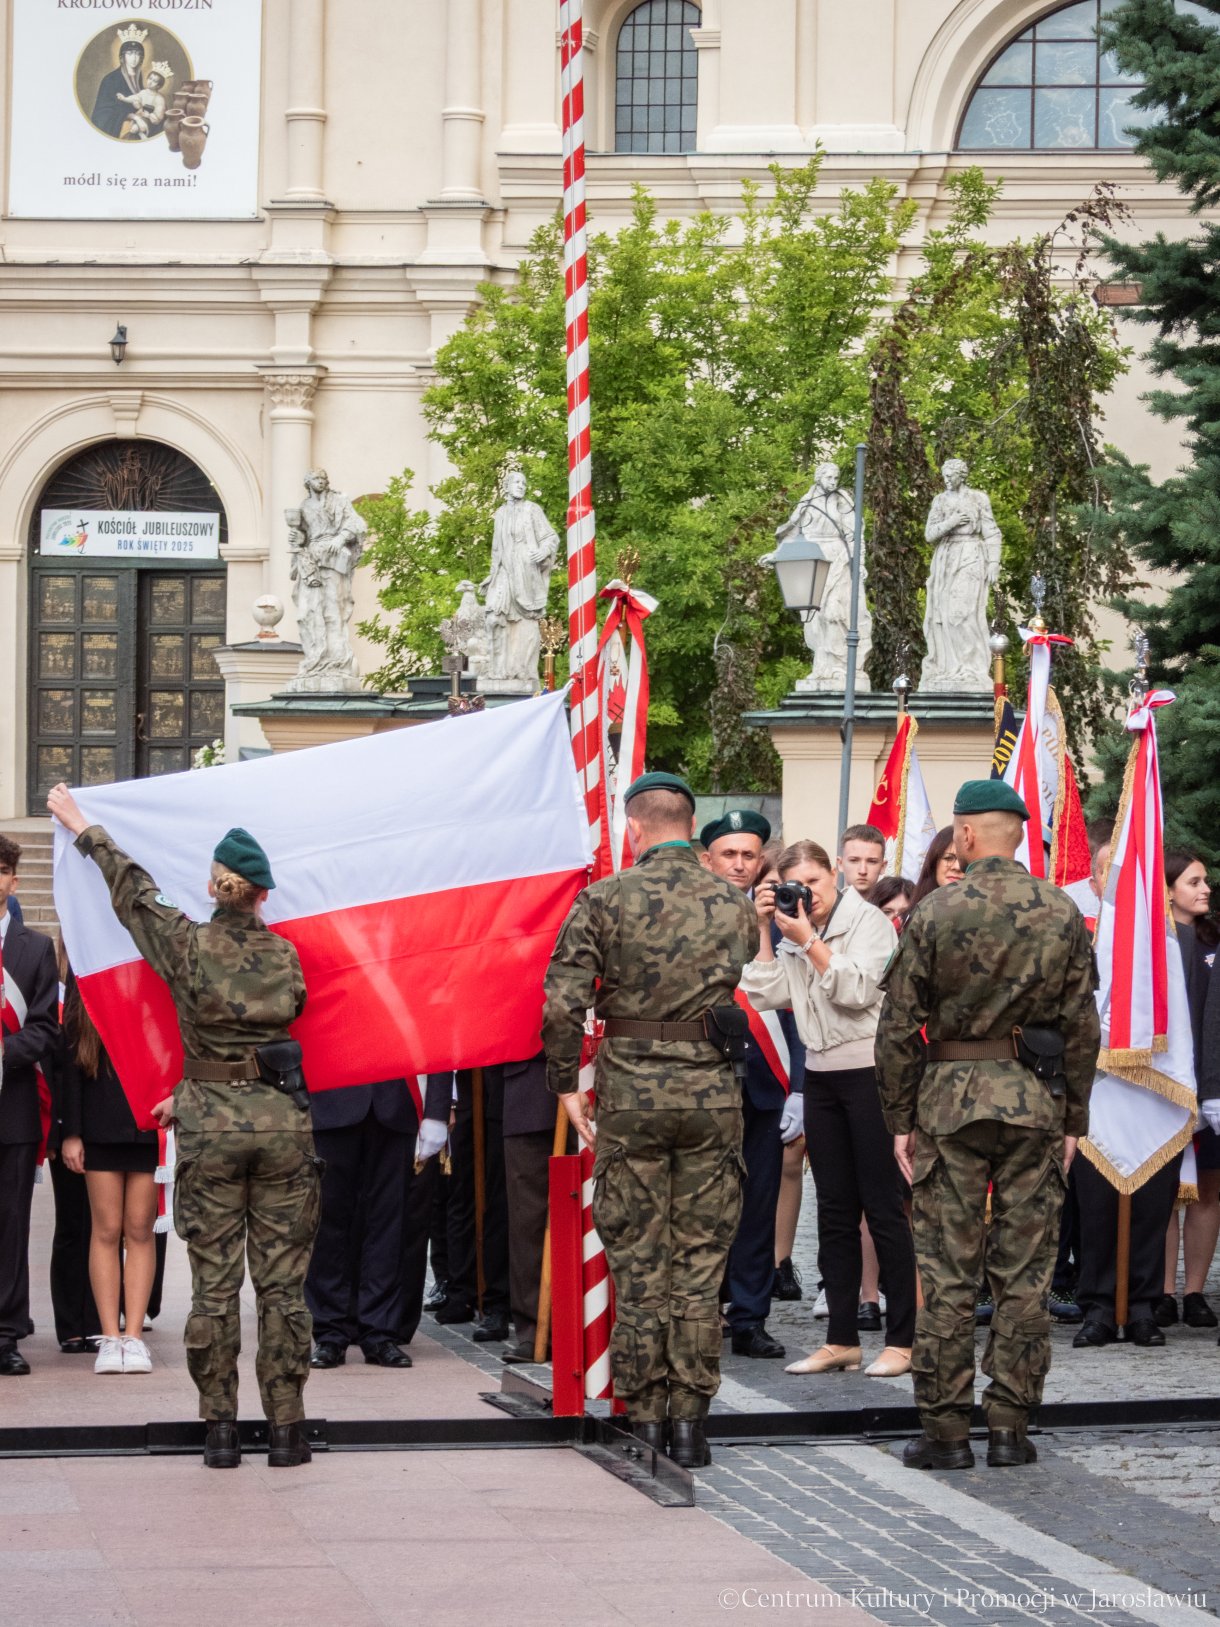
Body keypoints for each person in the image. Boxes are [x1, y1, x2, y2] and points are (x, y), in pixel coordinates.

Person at [47, 786, 319, 1470]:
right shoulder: (286, 957)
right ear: (262, 894)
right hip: (283, 1125)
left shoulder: (189, 946)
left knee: (215, 1286)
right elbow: (292, 1017)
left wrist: (84, 825)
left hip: (211, 1126)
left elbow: (131, 892)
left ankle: (221, 1429)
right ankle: (287, 1429)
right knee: (283, 1288)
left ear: (214, 888)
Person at [876, 780, 1099, 1471]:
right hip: (1032, 1104)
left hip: (949, 1104)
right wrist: (1073, 1115)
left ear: (967, 836)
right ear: (1017, 834)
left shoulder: (936, 909)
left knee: (946, 1272)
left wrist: (899, 1117)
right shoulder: (1061, 911)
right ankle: (1010, 1426)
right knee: (1025, 1274)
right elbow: (1081, 1027)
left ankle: (945, 1432)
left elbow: (896, 1027)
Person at [542, 772, 758, 1468]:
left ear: (633, 826)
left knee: (637, 1259)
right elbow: (747, 959)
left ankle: (644, 1414)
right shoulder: (731, 902)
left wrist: (565, 1085)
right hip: (709, 1095)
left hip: (632, 1094)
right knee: (698, 1263)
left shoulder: (603, 899)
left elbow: (560, 1004)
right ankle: (692, 1421)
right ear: (692, 826)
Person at [743, 839, 916, 1380]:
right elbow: (766, 993)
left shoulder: (867, 922)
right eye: (794, 886)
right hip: (819, 1075)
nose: (806, 895)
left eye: (814, 884)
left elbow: (858, 989)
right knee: (835, 1210)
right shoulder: (790, 927)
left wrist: (810, 939)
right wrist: (765, 930)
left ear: (833, 875)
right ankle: (840, 1338)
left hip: (867, 1074)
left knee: (883, 1208)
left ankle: (903, 1340)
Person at [701, 810, 795, 1360]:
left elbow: (794, 1005)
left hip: (763, 1078)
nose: (739, 864)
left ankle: (750, 1316)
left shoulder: (784, 915)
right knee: (705, 1206)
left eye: (749, 854)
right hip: (705, 1082)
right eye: (728, 854)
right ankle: (703, 1307)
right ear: (708, 859)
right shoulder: (689, 913)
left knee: (757, 1204)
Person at [307, 1074, 449, 1370]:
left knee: (389, 1222)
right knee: (328, 1223)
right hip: (330, 1098)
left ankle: (380, 1331)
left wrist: (436, 1111)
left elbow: (436, 1036)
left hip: (395, 1102)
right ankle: (329, 1332)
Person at [58, 977, 158, 1376]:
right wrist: (72, 1132)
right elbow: (71, 1059)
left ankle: (133, 1336)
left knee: (139, 1229)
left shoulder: (156, 960)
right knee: (105, 1229)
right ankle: (109, 1337)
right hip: (98, 1121)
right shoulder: (89, 962)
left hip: (150, 1119)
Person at [0, 834, 58, 1377]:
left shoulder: (36, 949)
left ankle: (5, 1333)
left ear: (13, 882)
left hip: (10, 1110)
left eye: (0, 871)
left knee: (10, 1223)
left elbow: (45, 1027)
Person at [1155, 852, 1220, 1329]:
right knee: (1163, 1192)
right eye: (1194, 882)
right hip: (1162, 1088)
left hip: (1212, 1085)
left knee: (1207, 1193)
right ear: (1169, 888)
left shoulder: (1213, 940)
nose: (1205, 889)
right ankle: (1162, 1291)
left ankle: (1195, 1291)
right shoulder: (1152, 943)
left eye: (1206, 881)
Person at [90, 36, 148, 139]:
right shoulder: (111, 79)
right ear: (122, 56)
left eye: (137, 54)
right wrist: (134, 117)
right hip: (114, 125)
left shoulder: (138, 76)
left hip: (134, 120)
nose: (134, 58)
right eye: (130, 53)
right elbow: (107, 111)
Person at [909, 827, 963, 910]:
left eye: (963, 861)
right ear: (933, 862)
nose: (957, 867)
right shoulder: (912, 910)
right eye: (948, 858)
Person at [117, 67, 169, 139]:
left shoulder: (160, 99)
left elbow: (158, 119)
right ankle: (140, 133)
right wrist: (124, 98)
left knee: (134, 129)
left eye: (154, 81)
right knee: (131, 128)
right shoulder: (143, 92)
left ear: (159, 85)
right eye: (150, 78)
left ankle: (141, 134)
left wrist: (149, 115)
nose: (150, 82)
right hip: (141, 116)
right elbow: (134, 97)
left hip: (152, 123)